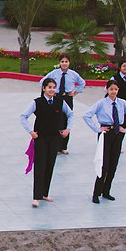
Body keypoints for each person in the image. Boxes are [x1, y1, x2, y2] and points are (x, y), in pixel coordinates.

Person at [19, 78, 73, 207]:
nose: (52, 90)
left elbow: (70, 114)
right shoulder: (37, 102)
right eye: (49, 87)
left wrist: (68, 129)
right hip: (41, 138)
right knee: (40, 166)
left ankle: (44, 193)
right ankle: (36, 196)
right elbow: (23, 116)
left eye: (54, 87)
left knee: (50, 165)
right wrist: (30, 131)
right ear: (43, 88)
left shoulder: (60, 102)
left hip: (55, 137)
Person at [83, 79, 126, 204]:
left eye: (116, 89)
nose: (113, 92)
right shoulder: (101, 103)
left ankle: (106, 191)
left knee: (113, 165)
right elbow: (87, 115)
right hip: (105, 134)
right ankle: (96, 192)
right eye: (111, 89)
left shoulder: (122, 103)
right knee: (104, 165)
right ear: (107, 90)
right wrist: (97, 129)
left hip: (117, 134)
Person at [40, 55, 84, 154]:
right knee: (55, 120)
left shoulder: (73, 74)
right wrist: (49, 93)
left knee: (66, 120)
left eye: (66, 61)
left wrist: (76, 92)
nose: (64, 63)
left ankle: (63, 146)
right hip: (56, 97)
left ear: (69, 63)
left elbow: (82, 82)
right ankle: (54, 145)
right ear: (60, 63)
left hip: (67, 98)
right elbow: (42, 82)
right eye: (62, 61)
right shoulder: (54, 73)